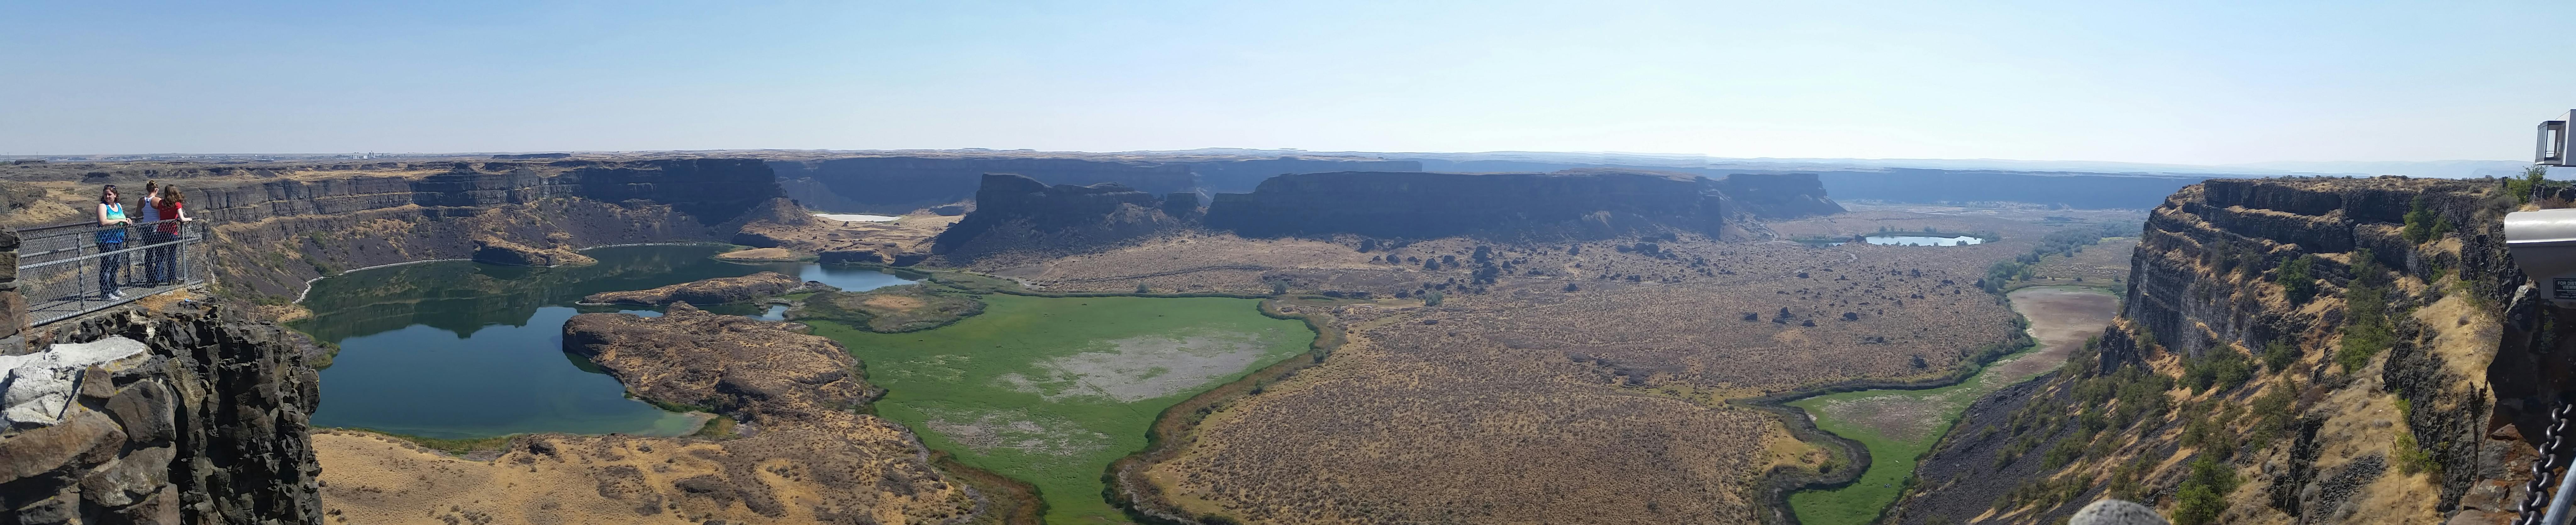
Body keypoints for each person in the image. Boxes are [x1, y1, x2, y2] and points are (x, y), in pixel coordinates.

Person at [94, 185, 132, 300]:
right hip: (106, 240)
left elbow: (123, 218)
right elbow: (103, 222)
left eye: (110, 194)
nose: (107, 197)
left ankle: (114, 289)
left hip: (119, 239)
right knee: (107, 266)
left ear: (115, 195)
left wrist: (127, 220)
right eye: (106, 194)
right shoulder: (102, 206)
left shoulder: (119, 206)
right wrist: (120, 220)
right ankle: (106, 293)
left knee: (116, 265)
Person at [149, 185, 191, 285]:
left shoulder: (161, 203)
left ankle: (158, 279)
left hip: (161, 232)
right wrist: (189, 219)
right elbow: (182, 219)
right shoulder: (177, 204)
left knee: (160, 257)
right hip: (172, 233)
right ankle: (172, 279)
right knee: (172, 257)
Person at [136, 181, 165, 285]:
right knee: (159, 253)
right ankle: (159, 277)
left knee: (148, 253)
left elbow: (137, 214)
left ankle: (150, 278)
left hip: (145, 228)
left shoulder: (141, 200)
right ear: (156, 190)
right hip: (157, 228)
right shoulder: (158, 200)